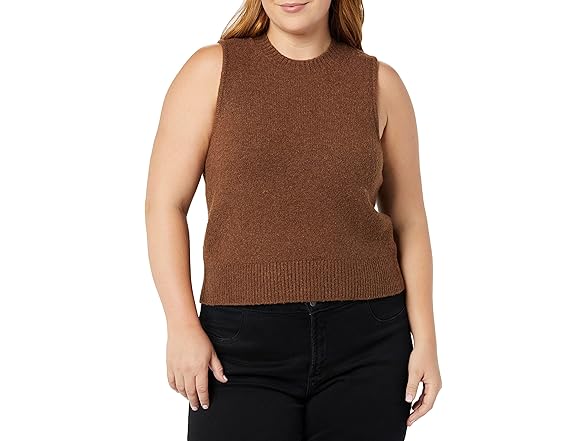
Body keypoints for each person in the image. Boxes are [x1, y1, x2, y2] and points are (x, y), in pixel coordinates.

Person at [145, 1, 442, 440]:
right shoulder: (211, 72)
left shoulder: (380, 84)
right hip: (238, 351)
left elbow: (409, 220)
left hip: (370, 342)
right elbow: (165, 205)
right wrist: (181, 324)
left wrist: (427, 341)